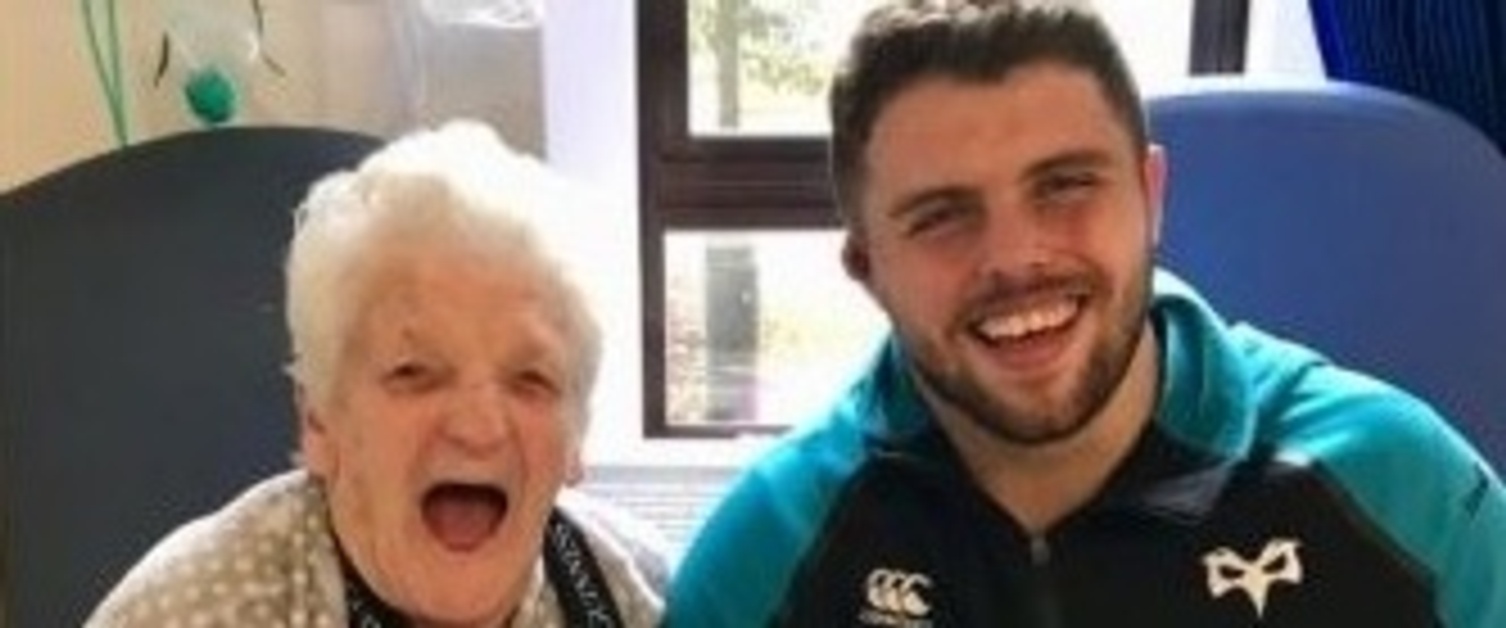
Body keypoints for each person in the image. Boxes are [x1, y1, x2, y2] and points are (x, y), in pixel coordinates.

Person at [667, 1, 1506, 626]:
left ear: (1150, 196)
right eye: (942, 216)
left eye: (1065, 185)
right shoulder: (771, 553)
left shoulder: (1401, 488)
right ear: (866, 267)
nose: (1016, 259)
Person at [88, 121, 668, 627]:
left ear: (576, 443)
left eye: (531, 380)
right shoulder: (191, 612)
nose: (479, 426)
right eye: (415, 373)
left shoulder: (644, 598)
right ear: (318, 420)